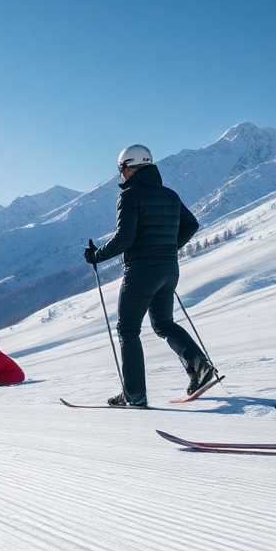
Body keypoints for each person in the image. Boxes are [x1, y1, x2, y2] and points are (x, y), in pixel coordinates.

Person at [85, 145, 214, 407]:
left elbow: (125, 238)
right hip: (168, 271)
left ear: (130, 168)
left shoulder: (130, 196)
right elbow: (192, 224)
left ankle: (134, 394)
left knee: (128, 330)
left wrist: (95, 255)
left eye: (121, 170)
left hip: (141, 272)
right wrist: (168, 247)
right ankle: (199, 366)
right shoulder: (169, 194)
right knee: (164, 324)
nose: (120, 175)